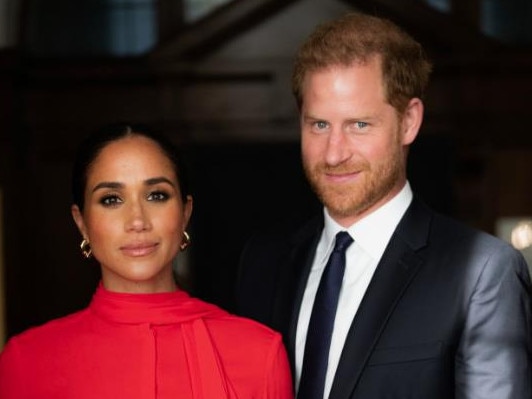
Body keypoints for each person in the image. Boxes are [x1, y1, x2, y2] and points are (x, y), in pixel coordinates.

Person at [236, 11, 532, 399]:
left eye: (359, 124)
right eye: (319, 125)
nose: (334, 153)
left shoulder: (481, 271)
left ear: (409, 121)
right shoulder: (264, 263)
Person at [0, 123, 294, 399]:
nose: (137, 221)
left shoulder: (259, 354)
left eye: (156, 195)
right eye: (112, 199)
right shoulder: (27, 361)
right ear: (82, 223)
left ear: (185, 213)